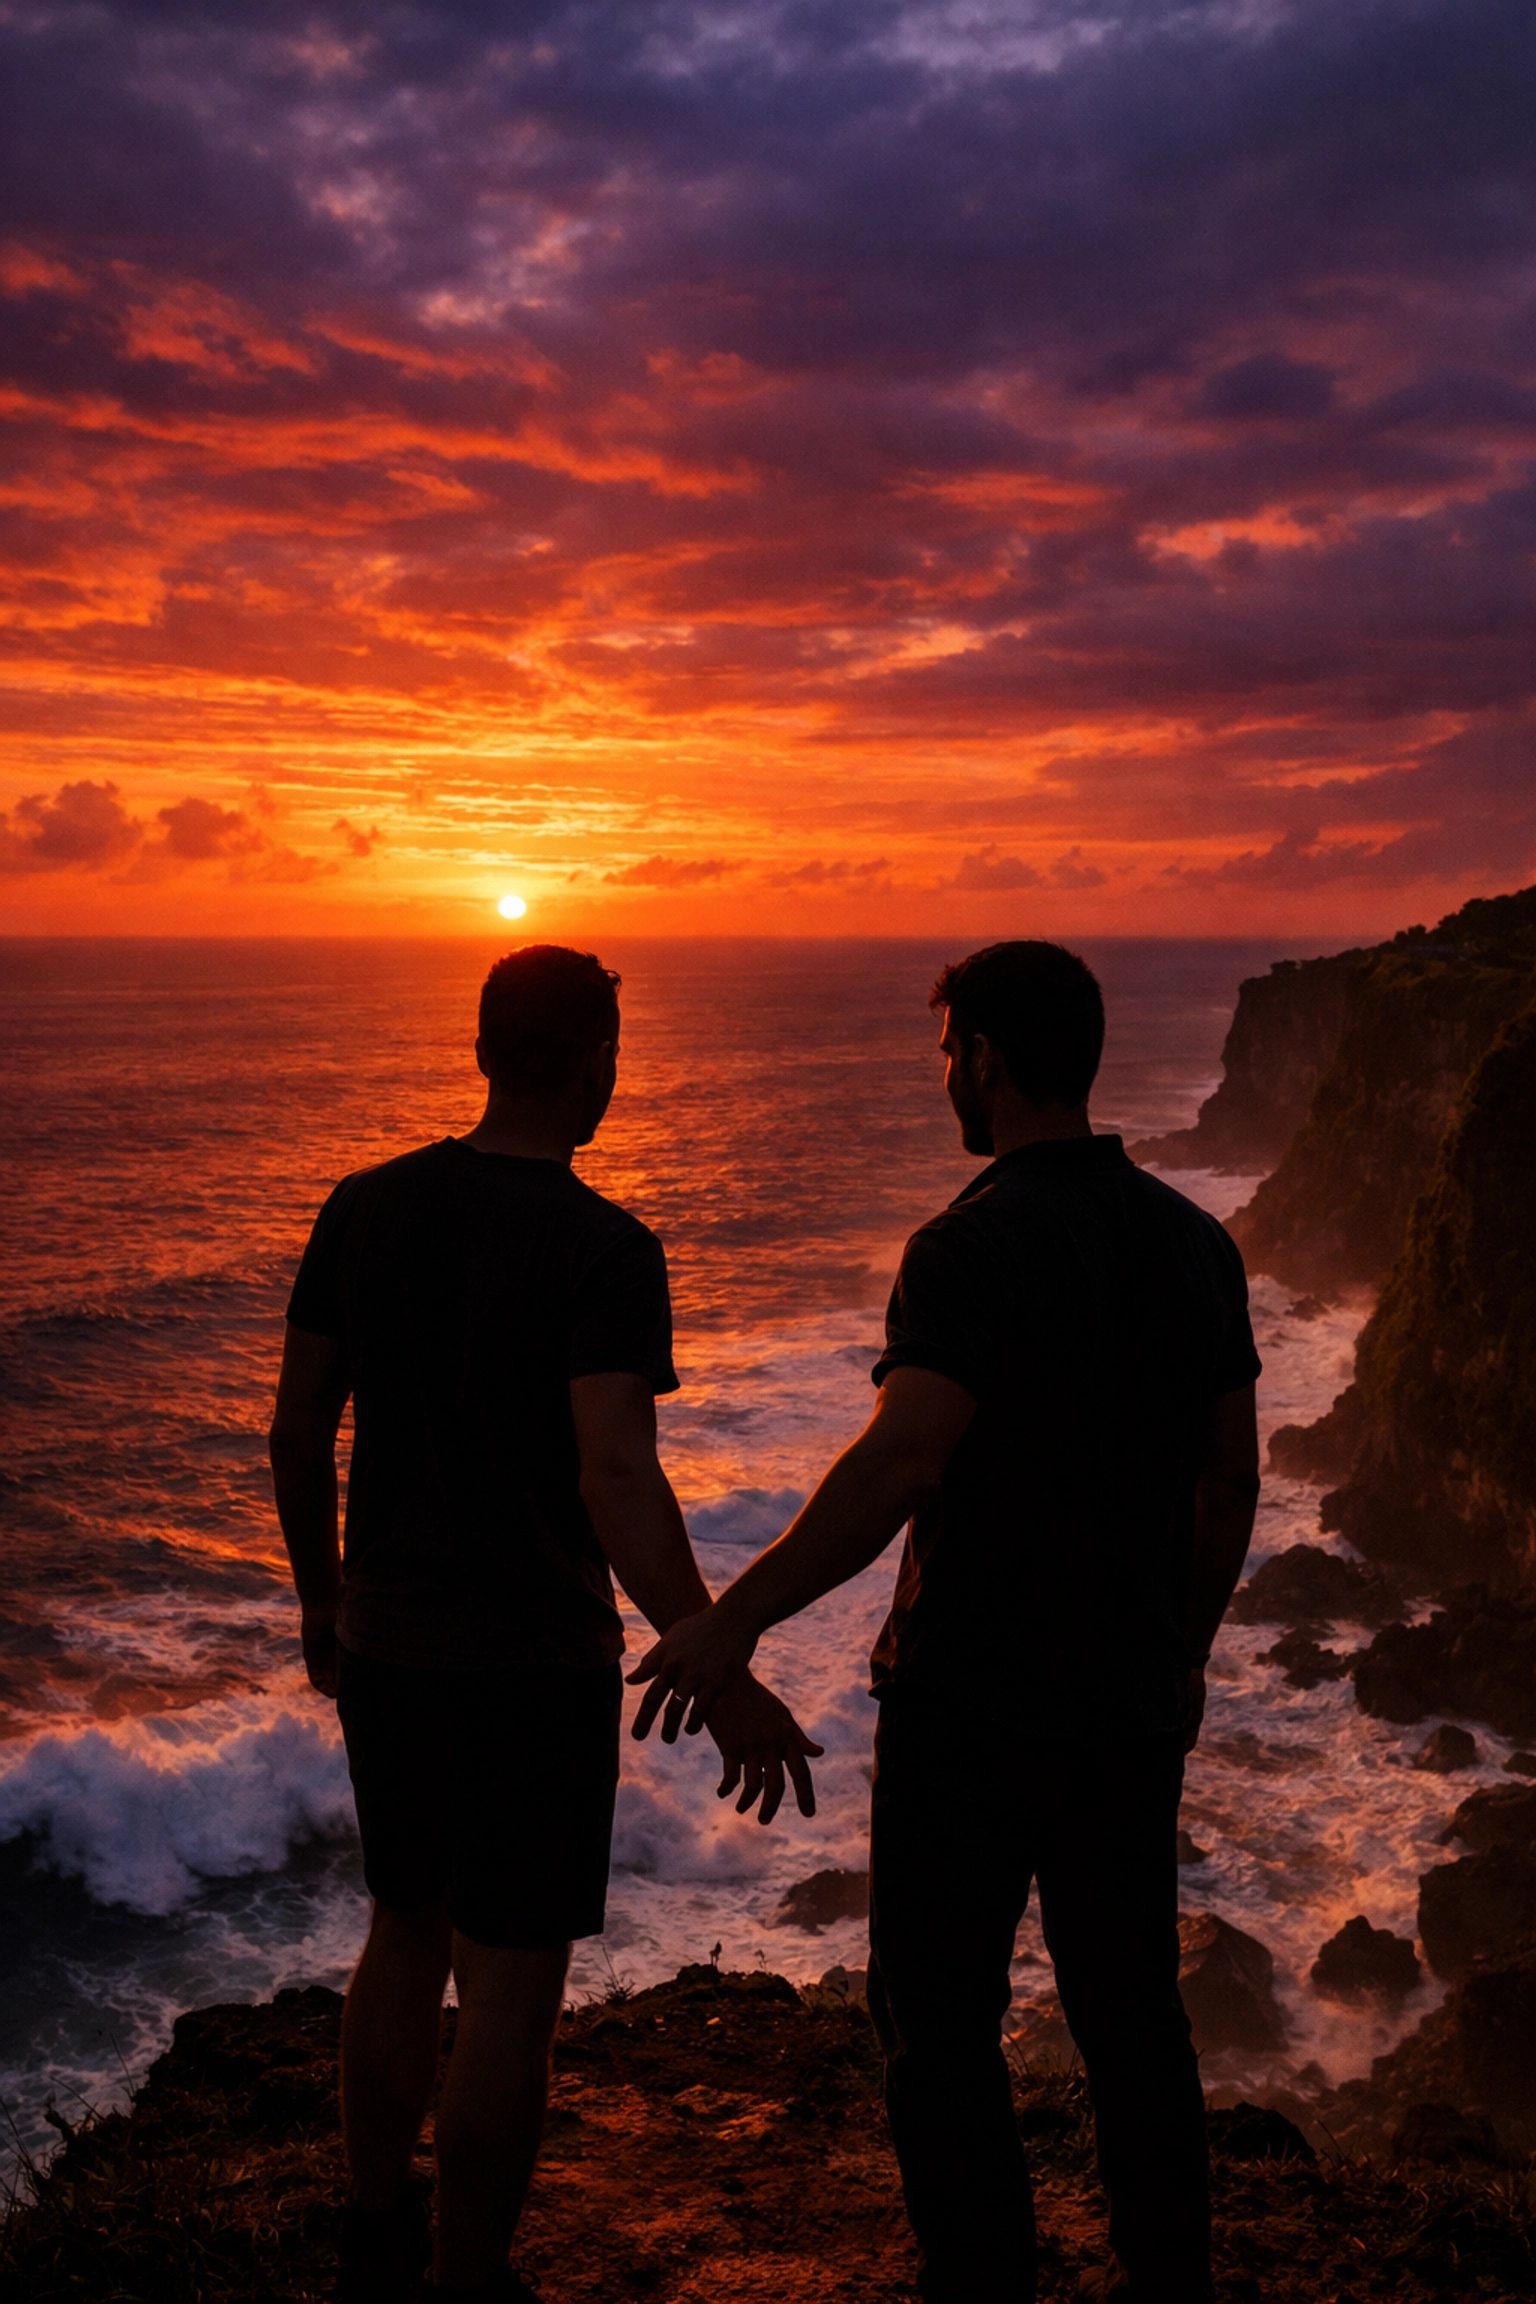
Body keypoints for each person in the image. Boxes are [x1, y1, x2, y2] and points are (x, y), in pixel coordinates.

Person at [630, 939, 1262, 2304]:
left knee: (939, 2026)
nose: (943, 1079)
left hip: (972, 1701)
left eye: (947, 1053)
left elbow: (903, 1460)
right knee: (1134, 2021)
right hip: (1131, 1703)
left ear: (983, 1055)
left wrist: (734, 1619)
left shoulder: (966, 1247)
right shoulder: (1197, 1244)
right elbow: (1232, 1481)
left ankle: (981, 2285)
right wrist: (1183, 1650)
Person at [269, 944, 821, 2304]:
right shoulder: (605, 1249)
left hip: (391, 1642)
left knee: (404, 1929)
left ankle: (377, 2222)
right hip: (532, 1663)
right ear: (598, 1067)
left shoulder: (366, 1207)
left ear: (480, 1051)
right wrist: (711, 1640)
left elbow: (297, 1430)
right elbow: (615, 1473)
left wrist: (322, 1600)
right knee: (508, 1993)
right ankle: (468, 2278)